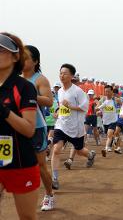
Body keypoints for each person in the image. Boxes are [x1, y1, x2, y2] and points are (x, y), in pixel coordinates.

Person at [0, 32, 39, 219]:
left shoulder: (23, 87)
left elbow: (29, 129)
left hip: (20, 161)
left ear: (15, 56)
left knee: (27, 217)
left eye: (0, 50)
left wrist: (4, 111)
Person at [51, 64, 96, 190]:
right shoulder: (59, 91)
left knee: (80, 150)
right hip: (61, 125)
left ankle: (91, 155)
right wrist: (58, 111)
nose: (62, 75)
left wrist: (70, 106)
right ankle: (54, 178)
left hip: (75, 128)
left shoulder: (78, 92)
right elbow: (62, 106)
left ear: (71, 76)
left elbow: (85, 108)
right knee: (56, 149)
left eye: (65, 73)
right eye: (60, 73)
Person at [22, 45, 55, 211]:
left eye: (26, 57)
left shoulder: (39, 79)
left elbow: (49, 101)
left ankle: (49, 195)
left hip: (36, 127)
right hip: (16, 127)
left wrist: (29, 95)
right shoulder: (13, 78)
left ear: (35, 61)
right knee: (8, 163)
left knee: (41, 166)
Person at [98, 85, 119, 157]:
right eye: (106, 91)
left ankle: (106, 149)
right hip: (105, 121)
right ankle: (111, 143)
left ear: (112, 92)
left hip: (113, 120)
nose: (107, 93)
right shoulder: (102, 100)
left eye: (108, 91)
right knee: (109, 135)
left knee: (109, 134)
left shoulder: (115, 100)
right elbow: (98, 109)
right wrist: (98, 112)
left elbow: (122, 106)